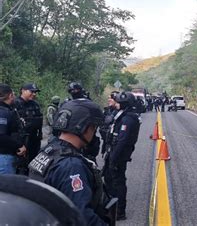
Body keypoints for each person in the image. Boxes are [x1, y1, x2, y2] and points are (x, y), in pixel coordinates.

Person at [28, 99, 114, 225]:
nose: (94, 132)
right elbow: (83, 218)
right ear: (84, 127)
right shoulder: (71, 165)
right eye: (93, 127)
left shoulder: (48, 150)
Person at [103, 92, 140, 220]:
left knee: (118, 182)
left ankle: (119, 211)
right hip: (113, 152)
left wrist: (113, 158)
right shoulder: (122, 115)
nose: (117, 104)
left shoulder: (128, 119)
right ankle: (111, 206)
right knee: (108, 178)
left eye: (119, 102)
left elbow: (122, 140)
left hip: (118, 155)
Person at [0, 84, 26, 174]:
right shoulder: (3, 112)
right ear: (10, 95)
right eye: (13, 94)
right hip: (4, 156)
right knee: (6, 186)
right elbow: (1, 135)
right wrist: (19, 145)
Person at [14, 83, 43, 165]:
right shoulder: (15, 104)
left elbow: (39, 121)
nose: (34, 94)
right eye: (32, 91)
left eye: (35, 92)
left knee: (33, 163)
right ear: (23, 91)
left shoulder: (35, 104)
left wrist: (39, 135)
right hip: (21, 140)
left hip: (34, 139)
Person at [99, 91, 119, 157]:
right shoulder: (106, 110)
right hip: (106, 138)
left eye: (111, 98)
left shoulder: (119, 112)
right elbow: (102, 123)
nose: (109, 100)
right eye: (108, 98)